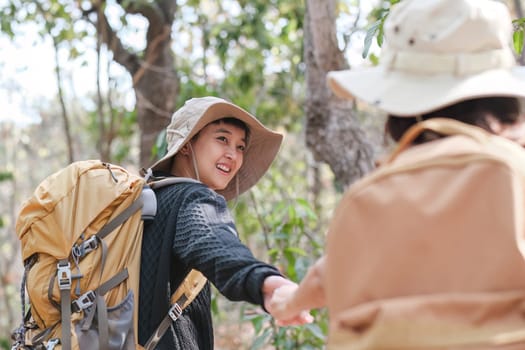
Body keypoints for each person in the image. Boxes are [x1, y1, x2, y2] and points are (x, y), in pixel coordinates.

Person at [269, 0, 525, 348]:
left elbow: (335, 270)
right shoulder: (514, 173)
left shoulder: (373, 197)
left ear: (398, 106)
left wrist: (290, 302)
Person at [137, 96, 312, 349]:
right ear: (187, 145)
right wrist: (266, 283)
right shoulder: (191, 197)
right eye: (222, 139)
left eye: (240, 147)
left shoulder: (149, 198)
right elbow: (216, 243)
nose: (233, 155)